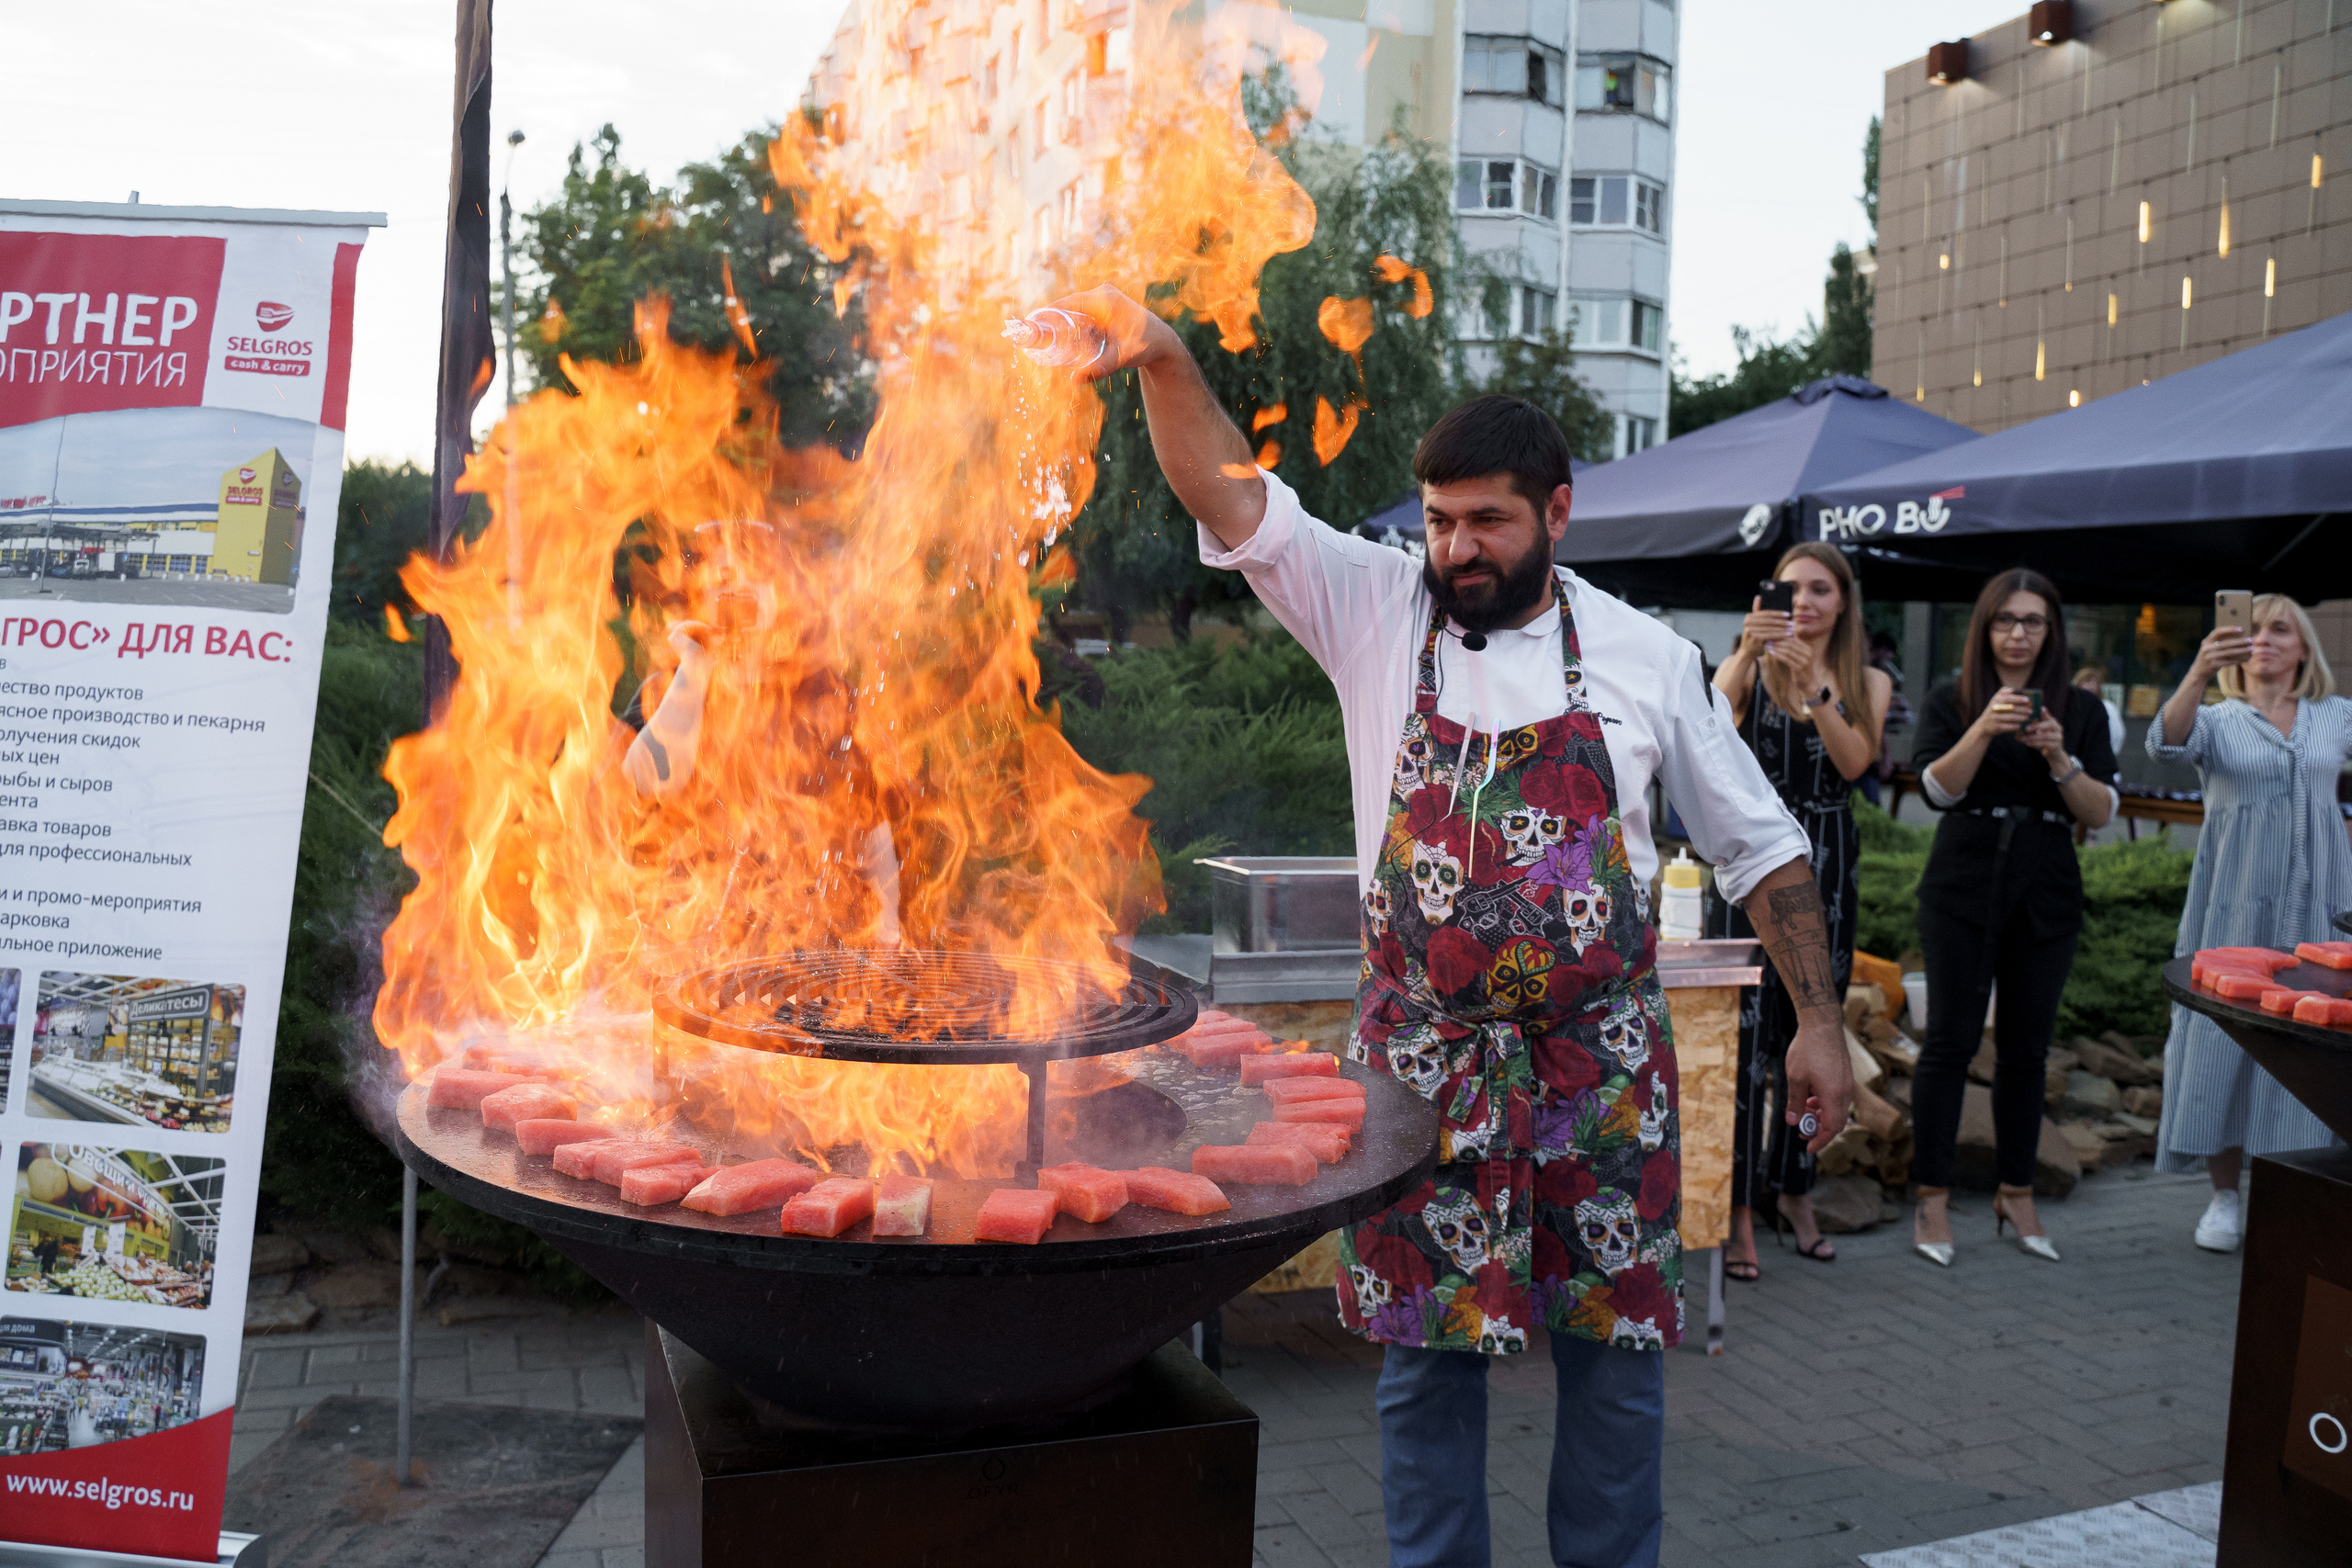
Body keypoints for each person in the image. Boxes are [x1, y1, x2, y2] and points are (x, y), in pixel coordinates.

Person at [1050, 287, 1851, 1568]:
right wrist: (1158, 351)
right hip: (1425, 1060)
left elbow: (1764, 844)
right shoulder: (1377, 607)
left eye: (1488, 520)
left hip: (1604, 1071)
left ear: (1558, 513)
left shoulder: (1645, 657)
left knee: (1615, 1358)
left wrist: (1820, 1021)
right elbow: (1227, 491)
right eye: (1439, 521)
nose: (1458, 548)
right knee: (1425, 1364)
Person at [1908, 570, 2118, 1267]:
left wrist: (2059, 754)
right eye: (2006, 620)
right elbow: (1935, 790)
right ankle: (1932, 1197)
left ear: (2051, 630)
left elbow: (2102, 812)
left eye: (2033, 620)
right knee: (1950, 1043)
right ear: (1986, 628)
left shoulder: (2083, 711)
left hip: (2047, 882)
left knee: (2028, 1048)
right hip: (1963, 878)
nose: (2019, 633)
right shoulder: (1952, 698)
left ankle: (2017, 1191)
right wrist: (1982, 726)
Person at [1709, 543, 1891, 1279]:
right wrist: (1749, 654)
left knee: (1814, 1039)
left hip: (1829, 867)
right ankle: (1740, 1206)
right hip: (1753, 868)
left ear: (1844, 602)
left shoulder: (1863, 678)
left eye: (1821, 588)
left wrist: (1816, 683)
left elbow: (1855, 764)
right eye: (1791, 588)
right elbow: (1709, 720)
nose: (1805, 600)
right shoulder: (1745, 665)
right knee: (1747, 1047)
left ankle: (1797, 1189)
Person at [2148, 594, 2350, 1251]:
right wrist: (2198, 671)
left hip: (2316, 910)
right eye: (2251, 628)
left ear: (2303, 649)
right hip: (2231, 905)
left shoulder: (2335, 717)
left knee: (2307, 1042)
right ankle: (2223, 1197)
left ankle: (2288, 1196)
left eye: (2278, 629)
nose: (2262, 639)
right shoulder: (2218, 718)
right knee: (2223, 1041)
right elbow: (2167, 745)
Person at [2075, 664, 2125, 756]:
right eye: (2087, 681)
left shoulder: (2107, 706)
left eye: (2095, 682)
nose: (2092, 685)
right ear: (2078, 684)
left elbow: (2118, 734)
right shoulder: (2072, 707)